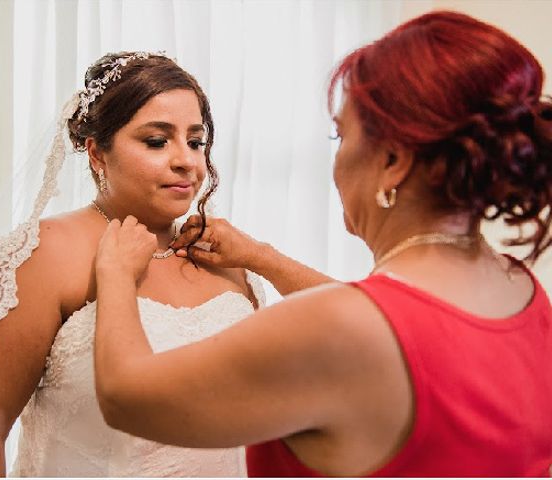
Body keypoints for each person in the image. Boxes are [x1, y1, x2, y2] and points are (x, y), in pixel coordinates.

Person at [92, 11, 552, 477]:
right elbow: (399, 325)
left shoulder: (343, 329)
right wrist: (260, 257)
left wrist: (114, 276)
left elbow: (125, 398)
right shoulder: (522, 291)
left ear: (392, 161)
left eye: (341, 134)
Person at [0, 51, 263, 477]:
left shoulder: (229, 260)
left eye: (195, 141)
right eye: (157, 141)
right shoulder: (43, 254)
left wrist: (261, 257)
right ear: (96, 153)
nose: (187, 161)